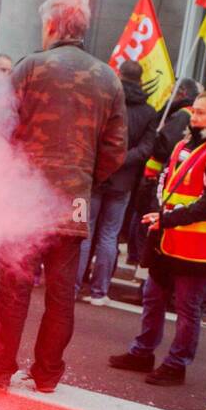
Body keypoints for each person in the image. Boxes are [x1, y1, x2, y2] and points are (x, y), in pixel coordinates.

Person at [0, 0, 126, 392]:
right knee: (62, 294)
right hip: (74, 202)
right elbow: (116, 150)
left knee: (14, 288)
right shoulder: (107, 77)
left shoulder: (29, 68)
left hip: (27, 200)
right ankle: (46, 376)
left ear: (50, 26)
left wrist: (13, 176)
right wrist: (82, 182)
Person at [108, 91, 206, 385]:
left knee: (186, 307)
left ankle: (177, 363)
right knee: (152, 297)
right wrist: (158, 211)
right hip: (168, 238)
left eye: (200, 113)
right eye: (193, 111)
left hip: (198, 246)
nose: (193, 117)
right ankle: (142, 352)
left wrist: (166, 218)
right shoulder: (184, 144)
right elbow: (166, 183)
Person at [77, 58, 157, 305]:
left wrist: (108, 159)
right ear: (141, 79)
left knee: (85, 232)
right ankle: (100, 291)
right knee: (109, 235)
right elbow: (146, 149)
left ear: (118, 74)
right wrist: (122, 159)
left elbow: (90, 137)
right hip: (123, 181)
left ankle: (73, 286)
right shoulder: (149, 112)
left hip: (98, 175)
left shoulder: (105, 101)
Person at [128, 77, 200, 269]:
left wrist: (156, 138)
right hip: (157, 179)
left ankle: (142, 268)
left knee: (146, 225)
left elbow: (164, 146)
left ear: (182, 93)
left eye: (172, 92)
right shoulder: (179, 113)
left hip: (157, 179)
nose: (169, 96)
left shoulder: (182, 114)